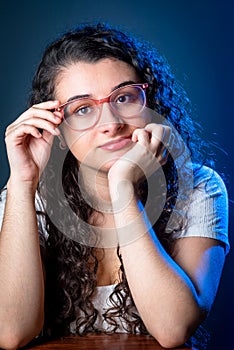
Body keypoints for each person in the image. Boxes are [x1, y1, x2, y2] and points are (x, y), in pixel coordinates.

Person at [0, 23, 229, 350]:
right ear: (57, 128)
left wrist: (123, 189)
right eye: (82, 109)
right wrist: (21, 183)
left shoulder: (201, 188)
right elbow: (10, 332)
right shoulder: (28, 197)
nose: (111, 124)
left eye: (124, 97)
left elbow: (173, 328)